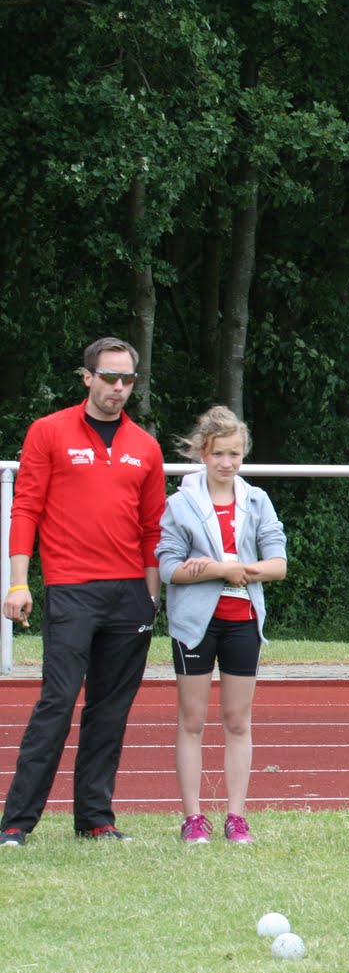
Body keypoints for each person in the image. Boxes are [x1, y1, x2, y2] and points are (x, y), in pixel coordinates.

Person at [1, 338, 167, 846]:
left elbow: (153, 530)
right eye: (110, 377)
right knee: (57, 703)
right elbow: (26, 508)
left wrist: (151, 598)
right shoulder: (48, 431)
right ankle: (16, 823)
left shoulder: (145, 446)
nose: (119, 387)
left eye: (128, 379)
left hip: (129, 596)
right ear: (88, 377)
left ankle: (95, 819)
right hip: (71, 590)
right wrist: (18, 582)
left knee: (109, 712)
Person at [157, 407, 287, 844]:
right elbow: (170, 568)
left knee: (237, 720)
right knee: (192, 720)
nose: (227, 463)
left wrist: (226, 568)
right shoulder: (180, 504)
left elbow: (278, 564)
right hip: (195, 625)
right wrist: (218, 569)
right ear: (202, 453)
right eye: (218, 454)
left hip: (242, 622)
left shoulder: (257, 501)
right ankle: (193, 818)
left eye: (234, 454)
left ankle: (236, 817)